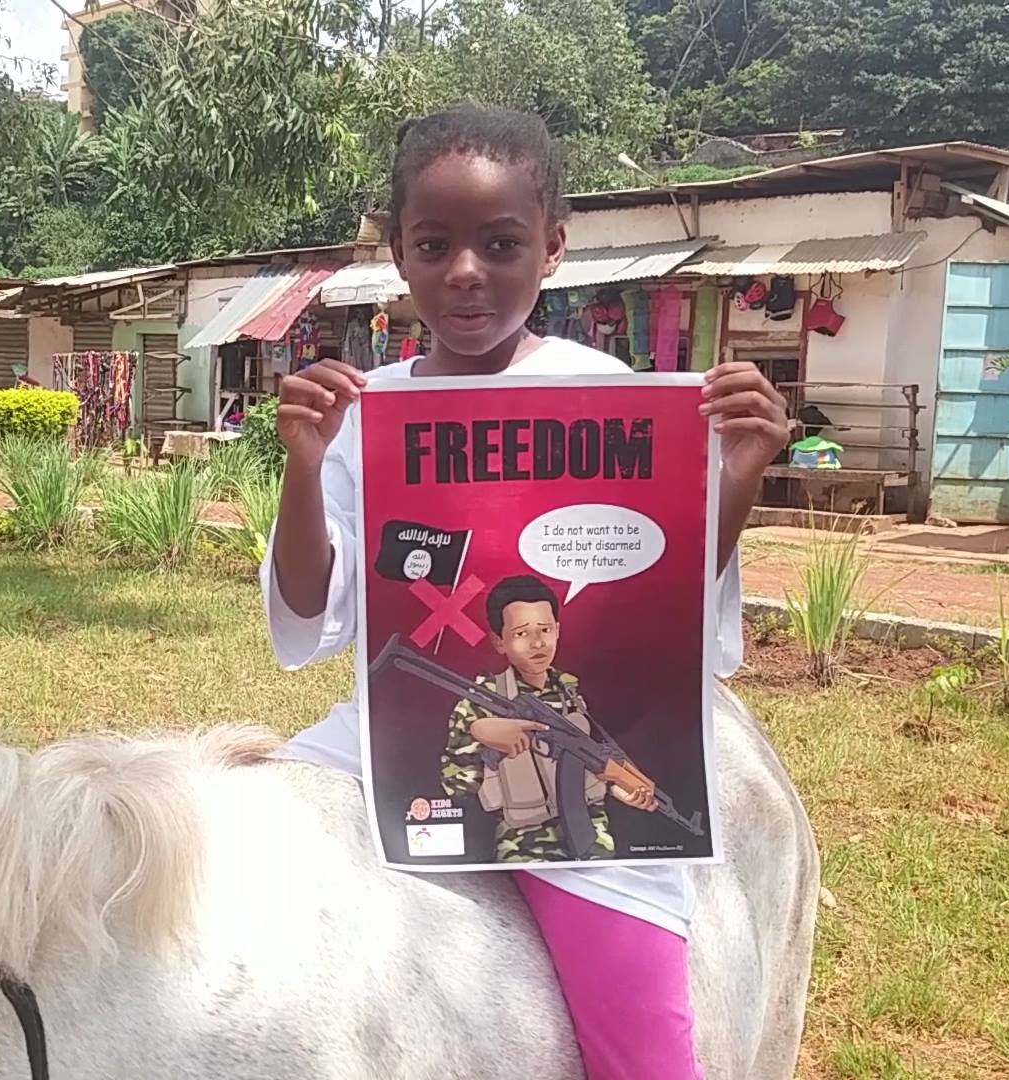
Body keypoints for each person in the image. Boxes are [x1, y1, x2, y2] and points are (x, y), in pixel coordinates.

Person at [259, 105, 790, 1080]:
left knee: (644, 1055)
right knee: (241, 873)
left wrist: (739, 478)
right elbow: (308, 613)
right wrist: (303, 464)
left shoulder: (611, 392)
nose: (466, 271)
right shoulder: (365, 413)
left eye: (501, 244)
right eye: (434, 245)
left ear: (552, 249)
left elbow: (663, 604)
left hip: (586, 774)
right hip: (387, 741)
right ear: (399, 254)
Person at [440, 574, 659, 864]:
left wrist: (620, 786)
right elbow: (456, 787)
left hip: (593, 843)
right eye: (521, 633)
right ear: (499, 641)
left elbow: (591, 758)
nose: (537, 643)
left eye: (544, 630)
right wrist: (478, 733)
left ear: (557, 630)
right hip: (524, 849)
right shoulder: (482, 700)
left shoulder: (573, 693)